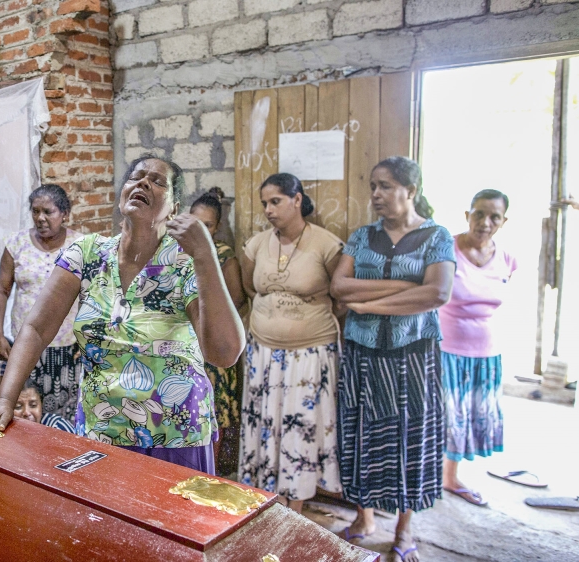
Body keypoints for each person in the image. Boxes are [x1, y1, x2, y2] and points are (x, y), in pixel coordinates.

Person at [0, 154, 245, 474]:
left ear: (173, 208)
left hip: (176, 435)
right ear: (122, 197)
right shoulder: (87, 254)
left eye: (158, 181)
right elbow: (35, 329)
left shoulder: (185, 263)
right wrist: (5, 399)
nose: (143, 182)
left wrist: (205, 256)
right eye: (136, 177)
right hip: (103, 429)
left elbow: (224, 353)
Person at [330, 157, 455, 562]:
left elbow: (436, 294)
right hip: (364, 354)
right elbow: (339, 287)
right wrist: (403, 286)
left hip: (412, 357)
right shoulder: (362, 236)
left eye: (384, 186)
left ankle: (403, 529)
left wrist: (372, 304)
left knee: (409, 439)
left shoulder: (437, 236)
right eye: (373, 187)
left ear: (411, 191)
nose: (376, 195)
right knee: (363, 434)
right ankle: (365, 519)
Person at [237, 173, 344, 513]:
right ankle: (270, 502)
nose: (268, 210)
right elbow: (250, 289)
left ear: (297, 200)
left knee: (300, 428)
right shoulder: (256, 244)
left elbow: (340, 299)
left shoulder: (326, 244)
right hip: (264, 353)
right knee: (267, 425)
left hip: (309, 356)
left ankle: (295, 508)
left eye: (276, 201)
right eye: (265, 203)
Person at [438, 189, 517, 507]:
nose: (486, 222)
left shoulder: (508, 258)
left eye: (494, 216)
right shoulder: (447, 248)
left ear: (504, 221)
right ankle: (426, 481)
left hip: (486, 353)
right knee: (443, 417)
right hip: (446, 350)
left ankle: (450, 477)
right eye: (479, 213)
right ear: (467, 215)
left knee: (467, 417)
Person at [0, 184, 82, 420]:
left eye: (48, 212)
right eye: (35, 211)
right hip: (24, 344)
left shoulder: (80, 246)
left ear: (64, 214)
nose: (40, 218)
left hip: (66, 345)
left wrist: (87, 339)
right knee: (24, 410)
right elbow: (2, 291)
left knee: (61, 413)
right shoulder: (16, 244)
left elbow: (90, 295)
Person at [188, 187, 246, 475]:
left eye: (207, 226)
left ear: (217, 227)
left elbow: (235, 300)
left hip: (213, 347)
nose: (201, 231)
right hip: (185, 344)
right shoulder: (175, 253)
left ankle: (212, 474)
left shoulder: (222, 255)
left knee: (214, 413)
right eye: (196, 223)